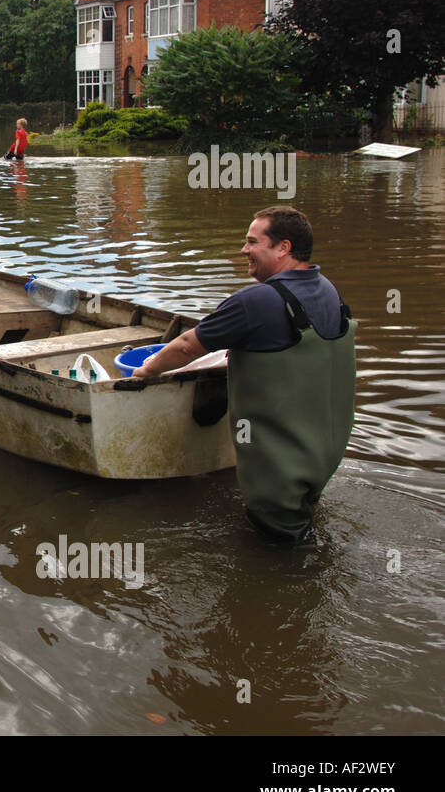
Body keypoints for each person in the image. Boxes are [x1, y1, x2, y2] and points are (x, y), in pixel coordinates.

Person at [131, 206, 356, 543]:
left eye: (252, 241)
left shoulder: (257, 301)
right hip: (321, 458)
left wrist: (145, 371)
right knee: (302, 534)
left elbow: (188, 346)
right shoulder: (328, 290)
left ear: (283, 248)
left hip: (277, 471)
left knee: (277, 553)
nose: (244, 250)